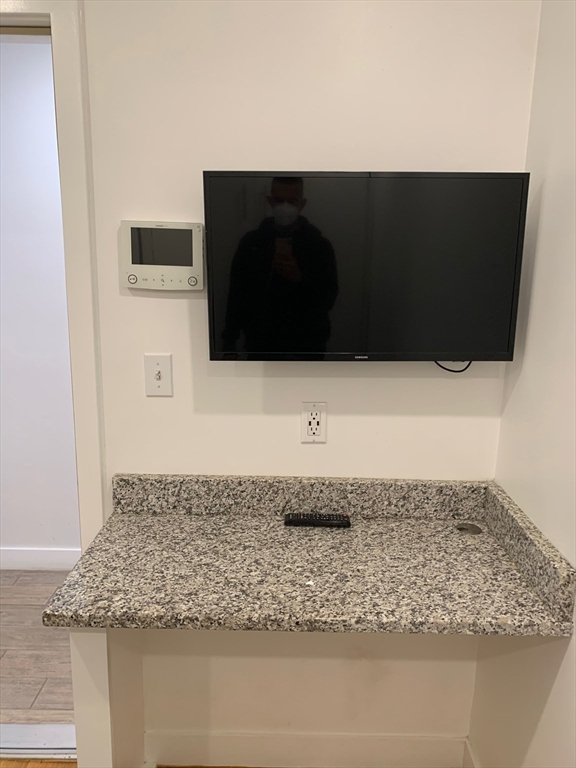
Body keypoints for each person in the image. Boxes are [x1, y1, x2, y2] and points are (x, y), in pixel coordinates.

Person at [222, 177, 338, 357]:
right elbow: (237, 294)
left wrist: (299, 278)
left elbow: (329, 299)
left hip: (307, 346)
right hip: (260, 344)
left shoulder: (319, 246)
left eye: (292, 201)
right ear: (270, 201)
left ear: (302, 204)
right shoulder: (252, 243)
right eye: (279, 200)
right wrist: (228, 343)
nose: (285, 206)